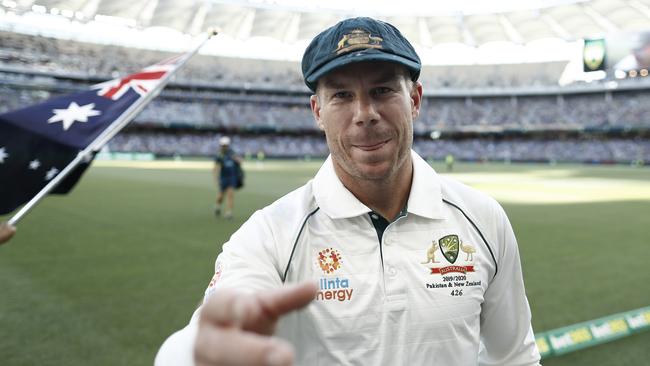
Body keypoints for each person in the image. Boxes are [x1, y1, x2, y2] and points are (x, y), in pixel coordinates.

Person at [157, 17, 541, 366]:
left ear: (415, 99)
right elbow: (205, 339)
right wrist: (194, 352)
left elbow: (515, 357)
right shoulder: (271, 235)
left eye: (382, 90)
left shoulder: (483, 218)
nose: (364, 113)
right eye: (341, 95)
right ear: (317, 111)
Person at [213, 136, 242, 219]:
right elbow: (216, 168)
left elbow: (240, 161)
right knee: (221, 196)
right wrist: (216, 179)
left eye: (226, 145)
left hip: (232, 177)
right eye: (223, 145)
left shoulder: (232, 153)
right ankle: (217, 206)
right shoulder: (219, 155)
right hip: (223, 177)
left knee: (230, 194)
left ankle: (229, 212)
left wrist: (236, 159)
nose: (224, 147)